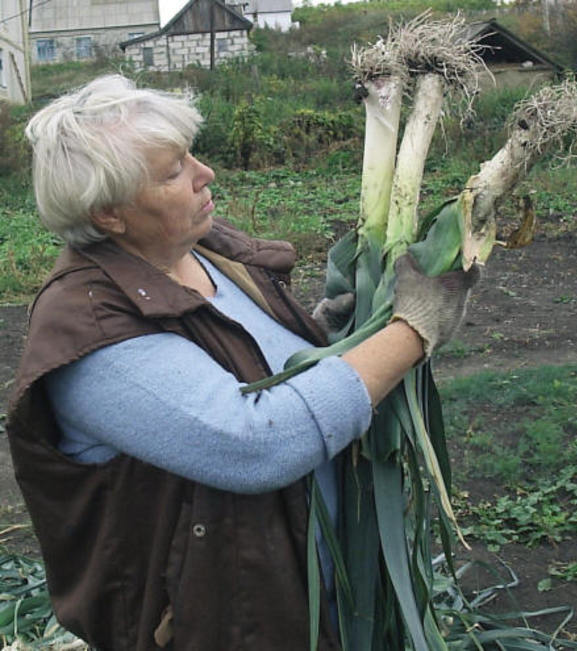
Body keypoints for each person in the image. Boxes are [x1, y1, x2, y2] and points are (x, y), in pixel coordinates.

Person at [7, 75, 478, 651]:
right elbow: (252, 441)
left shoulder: (202, 253)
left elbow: (244, 366)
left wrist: (334, 334)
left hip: (317, 591)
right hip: (223, 622)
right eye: (174, 170)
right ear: (109, 214)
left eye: (190, 154)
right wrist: (412, 329)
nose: (205, 173)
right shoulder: (89, 331)